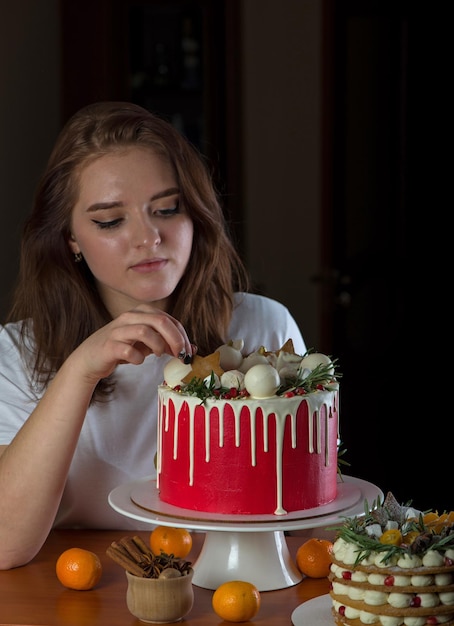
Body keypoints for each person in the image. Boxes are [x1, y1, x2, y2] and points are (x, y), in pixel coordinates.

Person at [0, 101, 306, 570]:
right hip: (73, 592)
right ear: (71, 239)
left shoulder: (263, 329)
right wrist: (80, 371)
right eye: (110, 221)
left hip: (229, 587)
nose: (148, 237)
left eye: (166, 209)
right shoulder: (16, 354)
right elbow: (5, 545)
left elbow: (305, 514)